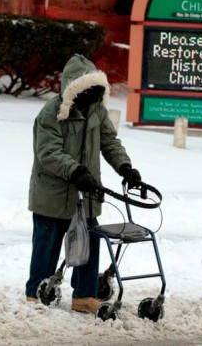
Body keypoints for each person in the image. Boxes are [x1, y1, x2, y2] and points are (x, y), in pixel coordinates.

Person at [25, 54, 142, 314]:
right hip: (52, 193)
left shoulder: (97, 112)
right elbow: (48, 152)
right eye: (85, 88)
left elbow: (110, 142)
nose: (90, 94)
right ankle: (36, 294)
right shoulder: (51, 113)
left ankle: (85, 296)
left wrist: (125, 167)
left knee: (90, 240)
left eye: (95, 88)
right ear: (73, 88)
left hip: (86, 192)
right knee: (47, 244)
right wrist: (75, 171)